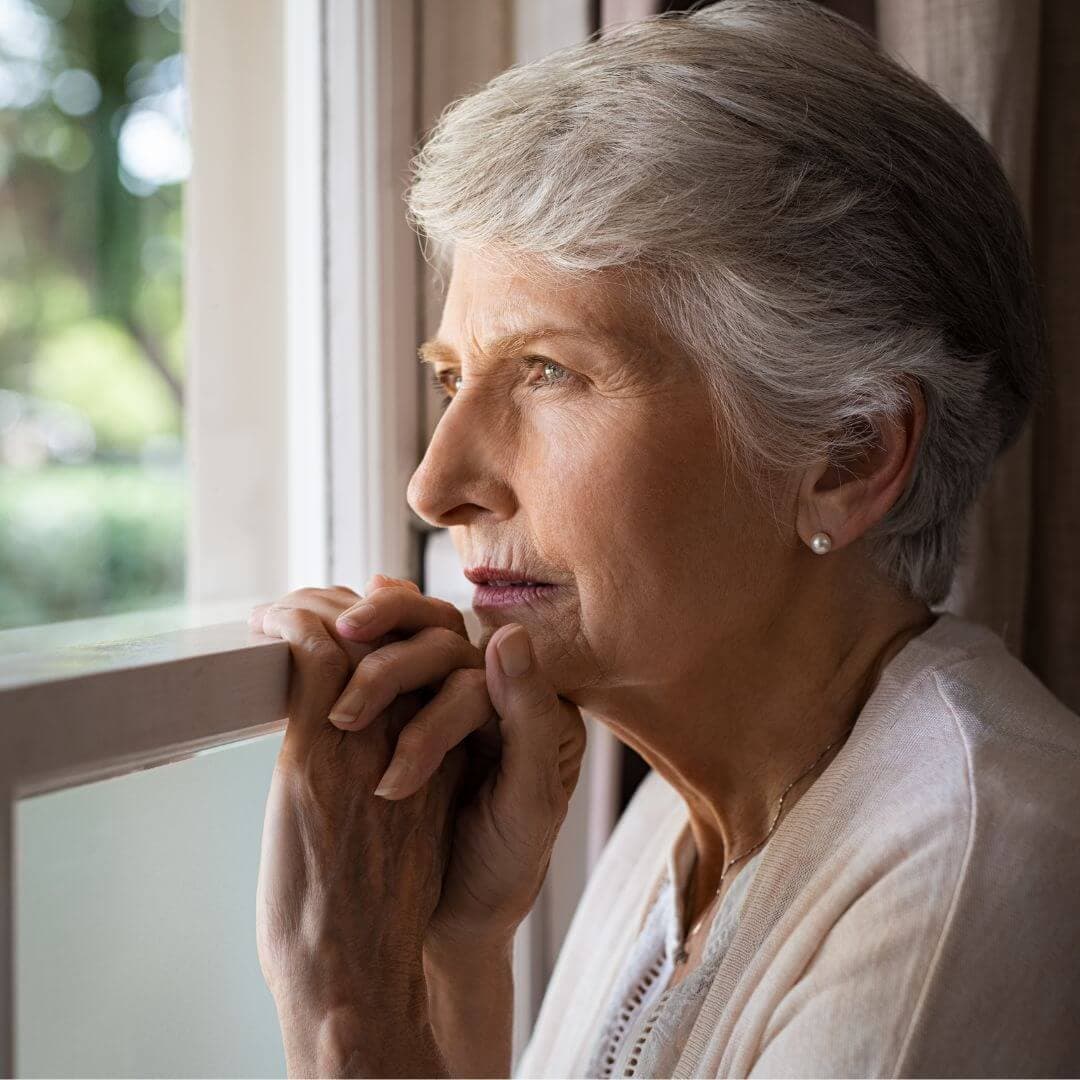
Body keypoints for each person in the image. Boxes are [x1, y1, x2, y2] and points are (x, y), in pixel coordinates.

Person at [249, 1, 1080, 1076]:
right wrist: (454, 950)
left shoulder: (981, 866)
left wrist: (348, 1015)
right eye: (451, 379)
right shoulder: (678, 822)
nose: (434, 486)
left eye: (549, 373)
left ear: (848, 456)